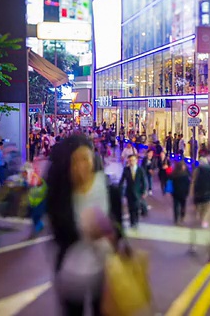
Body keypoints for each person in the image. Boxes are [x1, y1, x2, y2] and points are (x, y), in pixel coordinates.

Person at [46, 134, 122, 316]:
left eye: (85, 158)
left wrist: (110, 233)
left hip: (104, 274)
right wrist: (85, 230)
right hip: (72, 278)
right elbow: (59, 234)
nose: (81, 166)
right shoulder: (60, 195)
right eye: (75, 161)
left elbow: (120, 230)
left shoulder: (107, 188)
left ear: (93, 159)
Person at [119, 154, 148, 229]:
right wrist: (119, 190)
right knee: (130, 208)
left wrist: (144, 191)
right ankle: (132, 222)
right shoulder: (126, 169)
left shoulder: (140, 170)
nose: (132, 162)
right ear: (128, 161)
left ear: (136, 161)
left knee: (136, 207)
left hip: (138, 192)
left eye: (133, 160)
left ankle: (136, 222)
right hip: (129, 192)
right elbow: (122, 181)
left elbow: (144, 181)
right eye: (130, 160)